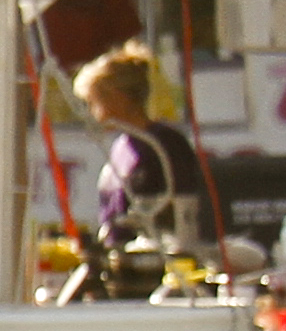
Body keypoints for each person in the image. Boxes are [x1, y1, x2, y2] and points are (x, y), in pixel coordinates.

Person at [82, 44, 222, 235]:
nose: (92, 113)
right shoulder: (121, 146)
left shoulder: (165, 144)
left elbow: (183, 207)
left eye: (94, 102)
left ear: (118, 98)